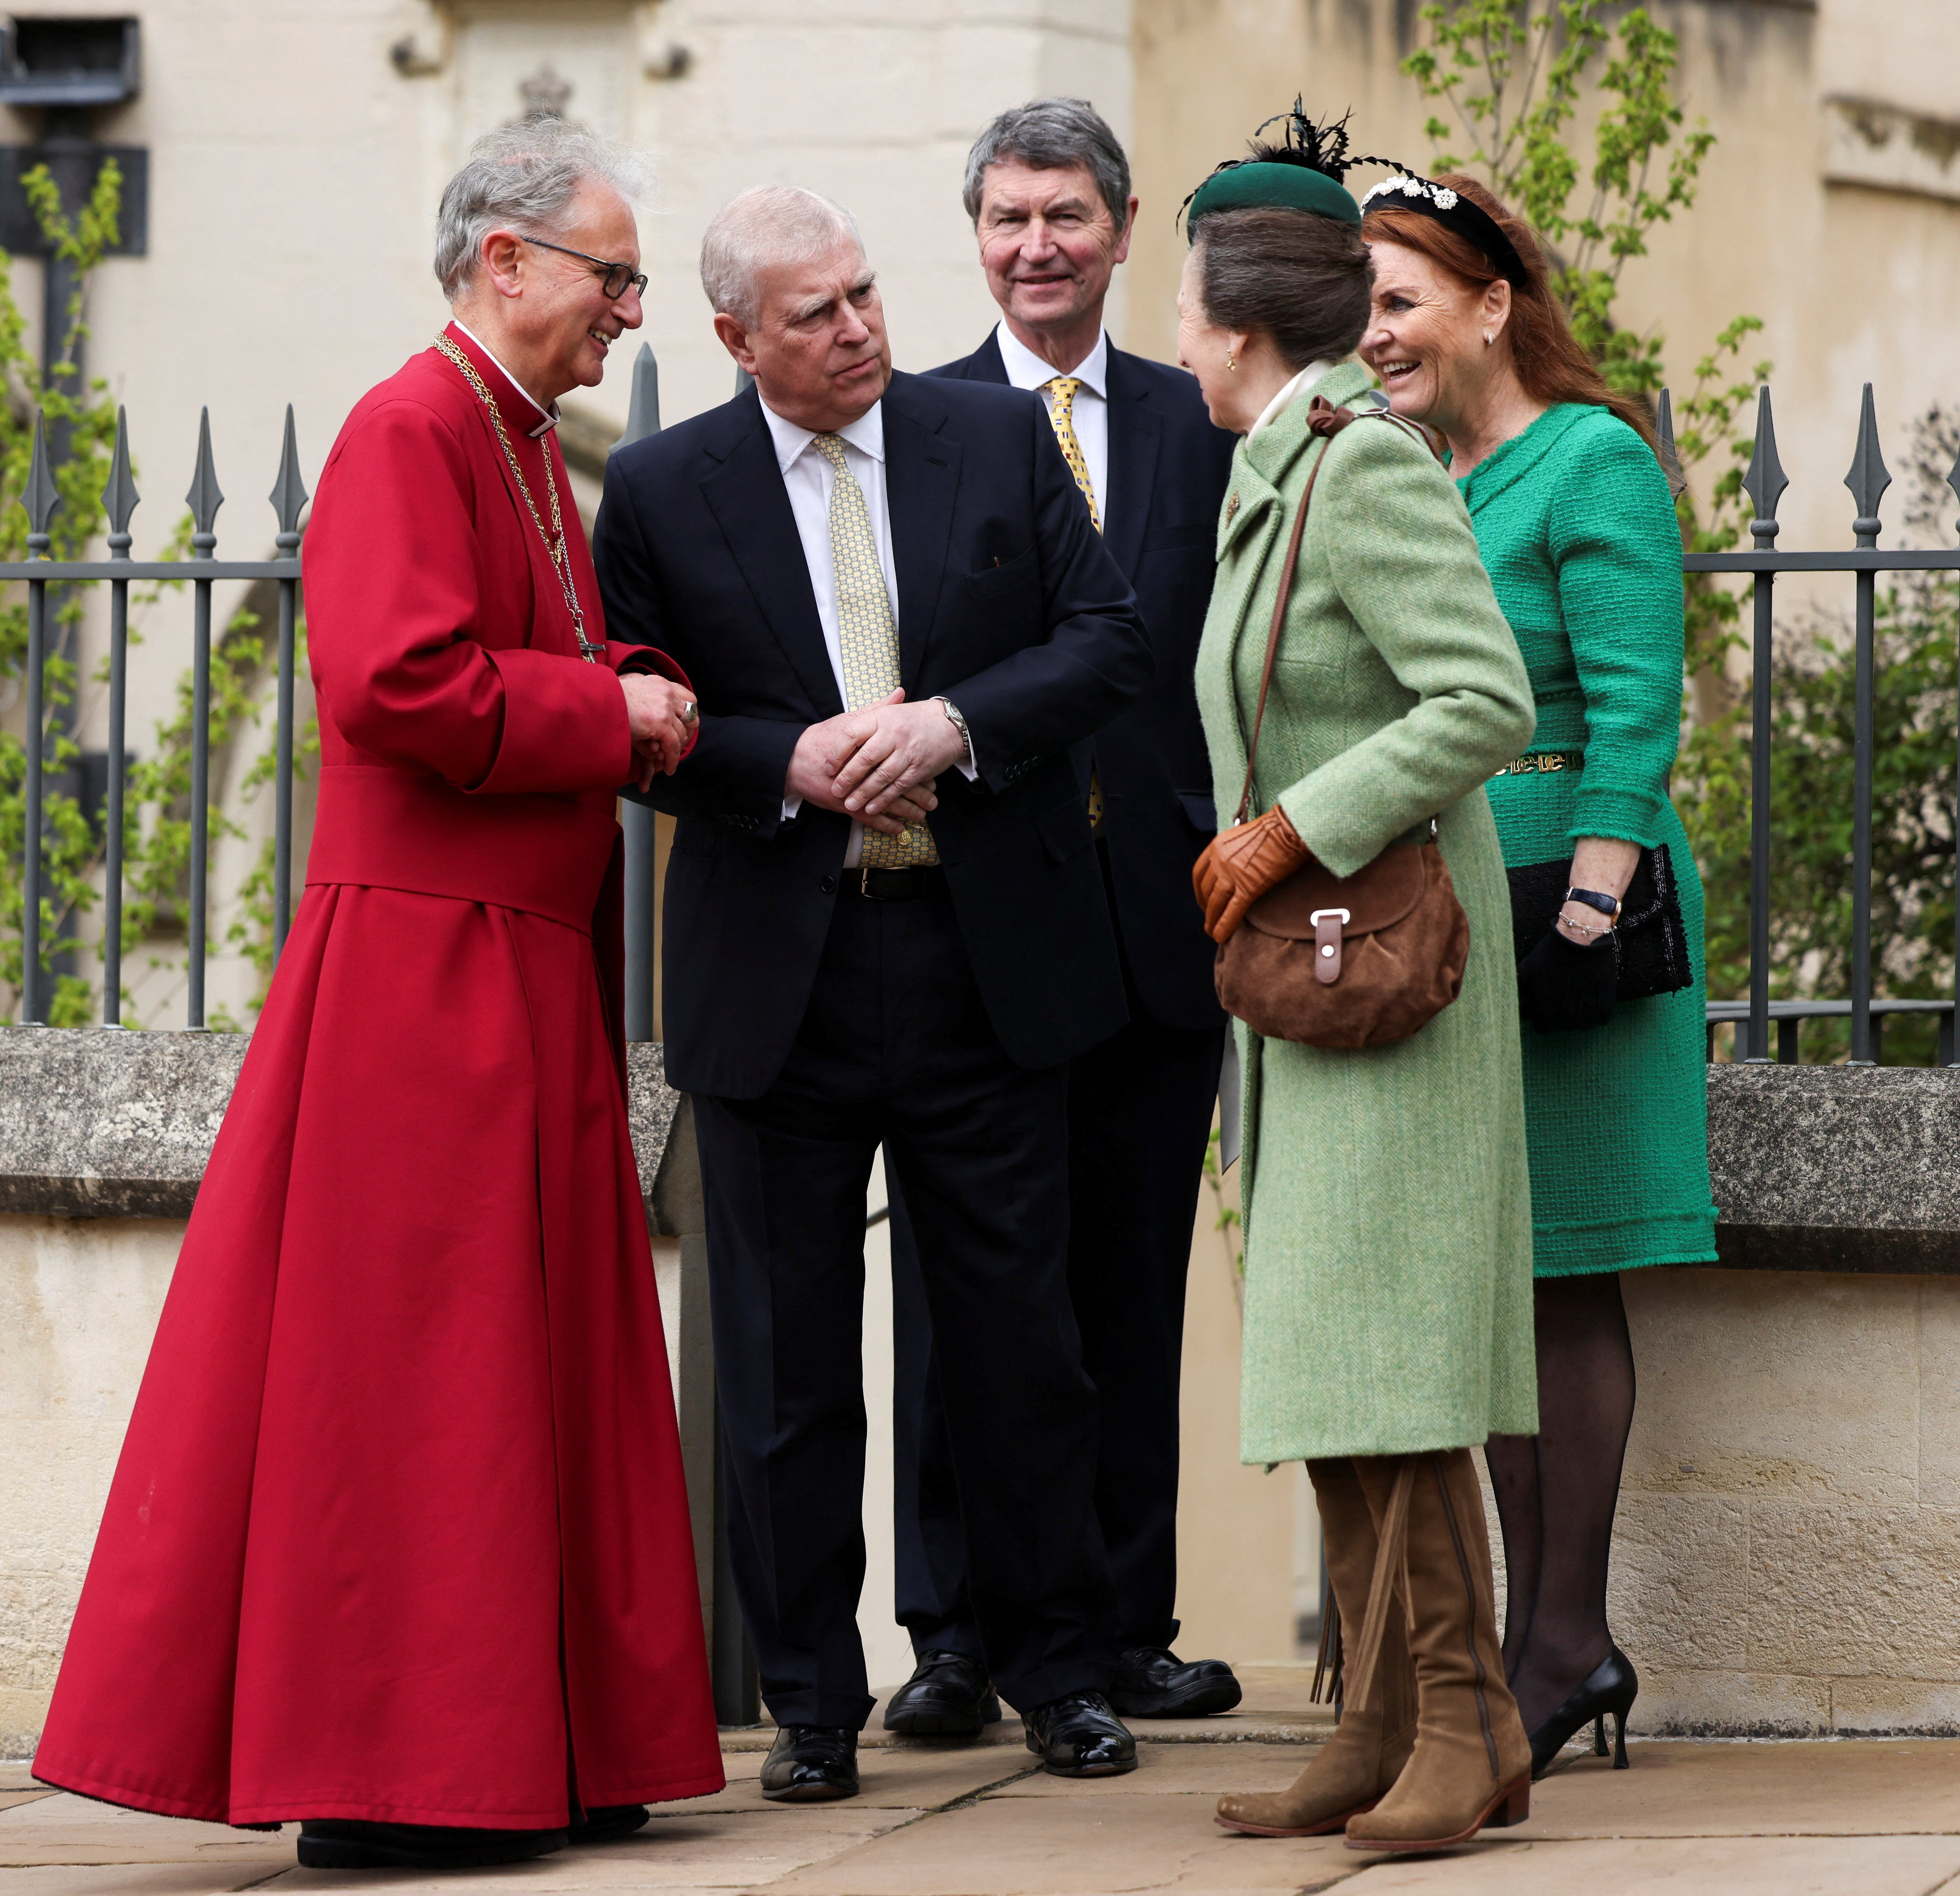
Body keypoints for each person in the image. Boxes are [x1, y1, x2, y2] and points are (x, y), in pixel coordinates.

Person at [31, 122, 724, 1873]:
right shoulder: (409, 424)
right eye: (610, 276)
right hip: (426, 970)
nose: (629, 312)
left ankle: (540, 1743)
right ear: (504, 259)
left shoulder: (505, 434)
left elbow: (520, 643)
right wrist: (608, 720)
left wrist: (626, 683)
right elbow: (400, 680)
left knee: (527, 1369)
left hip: (510, 962)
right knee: (423, 1380)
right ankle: (400, 1767)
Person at [592, 185, 1154, 1801]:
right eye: (815, 312)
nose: (857, 328)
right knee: (782, 1368)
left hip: (983, 959)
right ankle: (810, 1704)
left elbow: (1105, 640)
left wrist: (950, 725)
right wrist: (789, 758)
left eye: (862, 296)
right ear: (733, 339)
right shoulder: (657, 488)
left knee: (1016, 1343)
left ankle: (1054, 1670)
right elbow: (639, 713)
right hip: (784, 974)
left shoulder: (987, 436)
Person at [1169, 113, 1539, 1855]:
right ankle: (1379, 1714)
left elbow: (1480, 699)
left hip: (1395, 974)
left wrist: (1286, 830)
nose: (1169, 333)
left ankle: (1466, 1719)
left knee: (1388, 1352)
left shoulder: (1360, 462)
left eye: (1179, 299)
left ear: (1232, 316)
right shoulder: (1272, 466)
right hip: (1313, 991)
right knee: (1330, 1352)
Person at [877, 97, 1242, 1739]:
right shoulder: (908, 420)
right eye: (1008, 217)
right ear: (974, 235)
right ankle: (953, 1633)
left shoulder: (1198, 420)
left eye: (1066, 217)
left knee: (1126, 1279)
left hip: (1163, 915)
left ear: (1121, 226)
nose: (1036, 246)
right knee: (965, 1292)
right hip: (971, 926)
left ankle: (1117, 1621)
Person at [1356, 166, 1715, 1779]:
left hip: (1569, 903)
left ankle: (1563, 1635)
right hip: (1463, 913)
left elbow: (1639, 696)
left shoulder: (1590, 455)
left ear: (1492, 302)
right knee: (1499, 1277)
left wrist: (1587, 903)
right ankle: (1535, 1640)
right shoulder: (1433, 473)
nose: (1373, 335)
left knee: (1565, 1267)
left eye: (1397, 301)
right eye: (1362, 307)